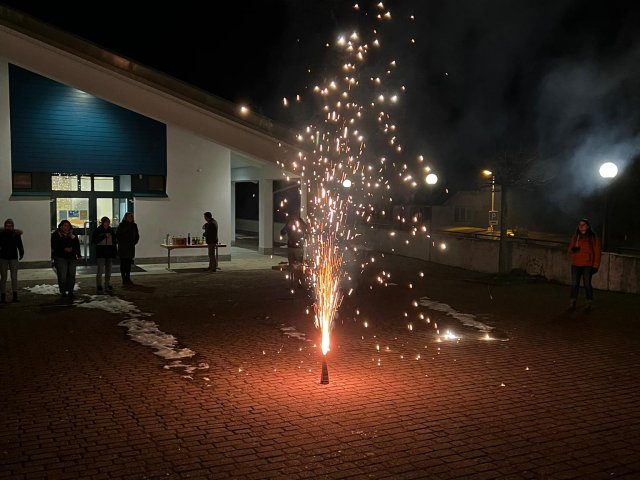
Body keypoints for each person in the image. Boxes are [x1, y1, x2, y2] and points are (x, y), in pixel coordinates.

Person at [568, 218, 601, 310]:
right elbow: (569, 250)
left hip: (587, 264)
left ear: (588, 226)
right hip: (576, 264)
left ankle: (588, 302)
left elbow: (597, 253)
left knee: (587, 284)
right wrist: (573, 249)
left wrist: (595, 265)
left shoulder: (593, 238)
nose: (581, 226)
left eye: (583, 225)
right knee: (574, 284)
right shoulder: (575, 237)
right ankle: (572, 302)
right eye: (579, 225)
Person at [51, 219, 81, 298]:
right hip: (60, 257)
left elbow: (77, 244)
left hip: (72, 257)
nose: (66, 227)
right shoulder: (56, 234)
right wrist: (64, 249)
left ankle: (70, 291)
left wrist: (78, 254)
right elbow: (54, 245)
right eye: (64, 225)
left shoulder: (72, 234)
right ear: (60, 226)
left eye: (68, 225)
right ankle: (63, 291)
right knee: (62, 275)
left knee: (72, 275)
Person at [280, 214, 308, 288]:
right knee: (293, 266)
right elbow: (282, 232)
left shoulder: (300, 223)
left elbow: (307, 231)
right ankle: (293, 282)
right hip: (292, 247)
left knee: (298, 266)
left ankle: (298, 282)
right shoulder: (291, 222)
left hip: (297, 248)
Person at [0, 218, 24, 303]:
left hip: (13, 257)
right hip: (3, 257)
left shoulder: (16, 234)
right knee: (3, 277)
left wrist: (21, 252)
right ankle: (3, 296)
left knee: (14, 277)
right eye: (7, 226)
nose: (8, 227)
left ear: (12, 226)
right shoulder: (1, 234)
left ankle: (15, 296)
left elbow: (19, 245)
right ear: (5, 226)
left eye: (10, 226)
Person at [92, 216, 117, 293]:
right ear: (103, 222)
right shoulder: (98, 230)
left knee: (108, 270)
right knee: (100, 270)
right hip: (101, 252)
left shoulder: (111, 230)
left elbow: (114, 241)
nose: (108, 223)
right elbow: (94, 241)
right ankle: (99, 285)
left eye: (109, 222)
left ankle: (107, 284)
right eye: (106, 222)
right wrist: (104, 236)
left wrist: (115, 251)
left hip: (109, 252)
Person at [116, 212, 140, 285]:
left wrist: (134, 242)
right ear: (125, 218)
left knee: (129, 264)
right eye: (129, 217)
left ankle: (128, 278)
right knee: (123, 263)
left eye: (131, 217)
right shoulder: (121, 225)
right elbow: (118, 235)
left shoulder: (134, 225)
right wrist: (122, 242)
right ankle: (124, 278)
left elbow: (137, 235)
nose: (130, 218)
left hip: (130, 247)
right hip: (123, 247)